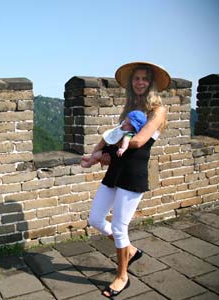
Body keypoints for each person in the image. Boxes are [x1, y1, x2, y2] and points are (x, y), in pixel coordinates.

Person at [87, 62, 170, 298]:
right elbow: (112, 138)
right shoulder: (129, 109)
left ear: (151, 83)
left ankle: (122, 276)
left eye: (145, 79)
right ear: (132, 83)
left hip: (133, 173)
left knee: (119, 227)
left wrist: (111, 144)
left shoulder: (158, 111)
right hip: (115, 170)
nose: (140, 82)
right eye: (136, 79)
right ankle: (130, 250)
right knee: (95, 219)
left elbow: (137, 142)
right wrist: (96, 155)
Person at [80, 110, 147, 168]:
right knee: (97, 147)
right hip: (108, 145)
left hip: (111, 151)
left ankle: (89, 164)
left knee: (96, 156)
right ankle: (90, 158)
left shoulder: (129, 133)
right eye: (126, 121)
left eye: (129, 124)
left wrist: (123, 148)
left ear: (134, 128)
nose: (125, 124)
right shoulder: (123, 125)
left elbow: (126, 140)